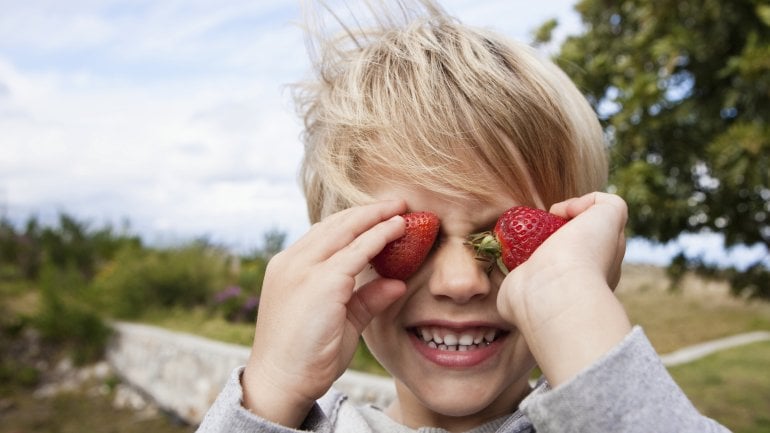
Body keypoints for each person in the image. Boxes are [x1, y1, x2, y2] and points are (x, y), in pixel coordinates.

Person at [196, 1, 731, 432]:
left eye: (501, 235)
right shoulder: (284, 421)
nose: (460, 282)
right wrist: (269, 392)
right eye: (405, 237)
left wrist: (578, 322)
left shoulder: (610, 415)